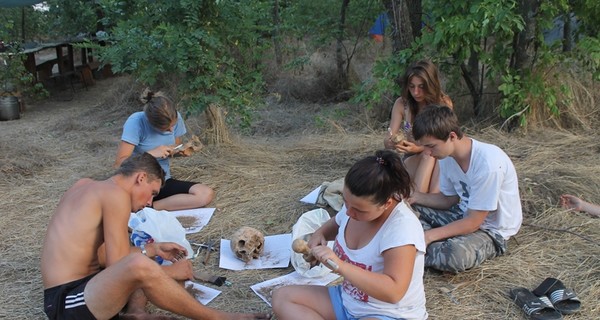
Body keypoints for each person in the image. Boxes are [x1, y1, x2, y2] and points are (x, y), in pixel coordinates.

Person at [41, 153, 270, 320]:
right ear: (141, 178)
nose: (149, 203)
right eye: (152, 193)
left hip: (77, 291)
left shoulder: (85, 186)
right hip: (67, 301)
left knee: (143, 255)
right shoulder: (116, 196)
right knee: (139, 264)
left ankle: (135, 314)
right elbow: (121, 266)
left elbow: (98, 255)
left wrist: (153, 249)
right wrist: (169, 273)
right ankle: (217, 318)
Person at [272, 150, 428, 320]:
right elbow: (337, 222)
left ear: (386, 203)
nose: (349, 212)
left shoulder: (402, 229)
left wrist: (341, 266)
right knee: (282, 297)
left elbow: (394, 292)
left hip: (388, 313)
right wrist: (319, 234)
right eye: (346, 202)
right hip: (348, 300)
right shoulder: (353, 209)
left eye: (359, 210)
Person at [408, 105, 522, 273]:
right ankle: (419, 246)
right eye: (424, 146)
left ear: (452, 136)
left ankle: (410, 248)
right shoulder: (446, 157)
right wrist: (415, 197)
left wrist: (429, 236)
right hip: (461, 215)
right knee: (408, 209)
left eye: (431, 146)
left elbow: (474, 222)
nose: (428, 153)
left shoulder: (488, 164)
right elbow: (448, 199)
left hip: (490, 231)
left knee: (455, 254)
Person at [114, 89, 214, 211]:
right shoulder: (136, 122)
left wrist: (178, 152)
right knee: (118, 204)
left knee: (205, 194)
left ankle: (150, 208)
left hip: (161, 181)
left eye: (173, 125)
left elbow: (172, 147)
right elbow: (120, 164)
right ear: (151, 123)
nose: (171, 131)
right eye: (166, 129)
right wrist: (150, 154)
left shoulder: (175, 118)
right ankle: (139, 205)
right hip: (139, 183)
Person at [384, 59, 454, 194]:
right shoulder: (402, 104)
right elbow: (389, 137)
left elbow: (446, 142)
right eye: (411, 87)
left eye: (421, 87)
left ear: (431, 85)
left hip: (437, 156)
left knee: (433, 154)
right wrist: (392, 142)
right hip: (412, 158)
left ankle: (430, 198)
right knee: (428, 154)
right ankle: (420, 201)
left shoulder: (443, 103)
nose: (416, 92)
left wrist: (420, 147)